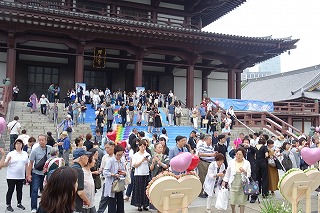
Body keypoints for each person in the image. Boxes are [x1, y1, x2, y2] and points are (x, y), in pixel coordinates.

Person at [26, 134, 52, 212]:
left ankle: (45, 207)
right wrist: (28, 174)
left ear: (46, 141)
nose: (41, 141)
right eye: (39, 140)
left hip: (47, 174)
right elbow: (30, 163)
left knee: (46, 191)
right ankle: (33, 208)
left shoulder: (50, 149)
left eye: (42, 140)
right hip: (36, 173)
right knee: (34, 190)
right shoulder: (35, 150)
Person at [2, 139, 28, 212]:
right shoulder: (11, 153)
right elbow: (4, 165)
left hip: (21, 176)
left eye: (20, 144)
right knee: (10, 190)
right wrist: (7, 160)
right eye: (17, 144)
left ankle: (19, 203)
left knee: (19, 190)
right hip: (11, 176)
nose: (18, 145)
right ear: (14, 145)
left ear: (22, 145)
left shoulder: (25, 153)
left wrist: (28, 174)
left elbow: (27, 164)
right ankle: (8, 204)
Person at [222, 147, 251, 213]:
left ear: (243, 155)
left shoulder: (247, 163)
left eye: (240, 154)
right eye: (237, 154)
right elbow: (228, 173)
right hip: (233, 182)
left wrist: (244, 171)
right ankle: (233, 211)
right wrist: (224, 181)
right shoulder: (231, 162)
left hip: (243, 183)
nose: (238, 156)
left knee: (242, 201)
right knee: (232, 200)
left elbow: (249, 174)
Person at [103, 145, 126, 213]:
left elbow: (124, 171)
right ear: (115, 153)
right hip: (112, 185)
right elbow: (105, 172)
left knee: (120, 203)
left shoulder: (121, 160)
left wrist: (123, 173)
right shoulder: (111, 161)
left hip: (120, 184)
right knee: (112, 204)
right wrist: (113, 174)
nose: (120, 156)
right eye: (118, 155)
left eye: (121, 155)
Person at [131, 139, 150, 211]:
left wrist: (148, 160)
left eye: (144, 146)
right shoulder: (135, 155)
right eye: (141, 146)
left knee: (145, 190)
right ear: (139, 147)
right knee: (139, 190)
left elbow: (150, 164)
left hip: (146, 173)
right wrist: (141, 161)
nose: (143, 148)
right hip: (138, 174)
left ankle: (145, 204)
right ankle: (139, 204)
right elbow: (134, 165)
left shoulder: (147, 154)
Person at [71, 148, 92, 213]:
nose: (88, 158)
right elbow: (80, 192)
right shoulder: (79, 171)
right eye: (87, 156)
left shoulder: (71, 168)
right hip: (76, 204)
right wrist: (87, 201)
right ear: (81, 158)